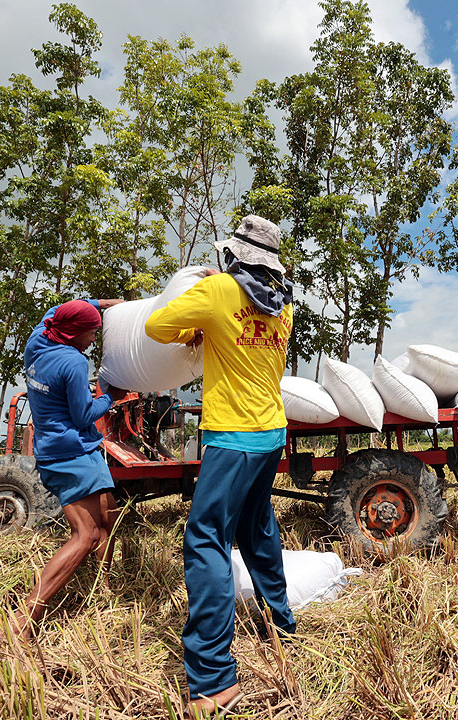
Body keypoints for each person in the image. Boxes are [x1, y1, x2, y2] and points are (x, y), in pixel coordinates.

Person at [144, 215, 296, 718]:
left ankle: (213, 679)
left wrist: (205, 300)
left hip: (232, 437)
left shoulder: (217, 292)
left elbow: (154, 325)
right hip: (272, 432)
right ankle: (282, 626)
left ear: (233, 255)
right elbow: (244, 346)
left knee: (205, 539)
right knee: (257, 528)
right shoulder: (285, 305)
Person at [11, 297, 127, 640]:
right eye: (92, 332)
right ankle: (25, 617)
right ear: (76, 333)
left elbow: (62, 308)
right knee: (86, 535)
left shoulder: (40, 338)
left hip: (57, 449)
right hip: (72, 454)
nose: (95, 338)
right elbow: (83, 415)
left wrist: (106, 304)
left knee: (108, 514)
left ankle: (101, 589)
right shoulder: (73, 363)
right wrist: (111, 395)